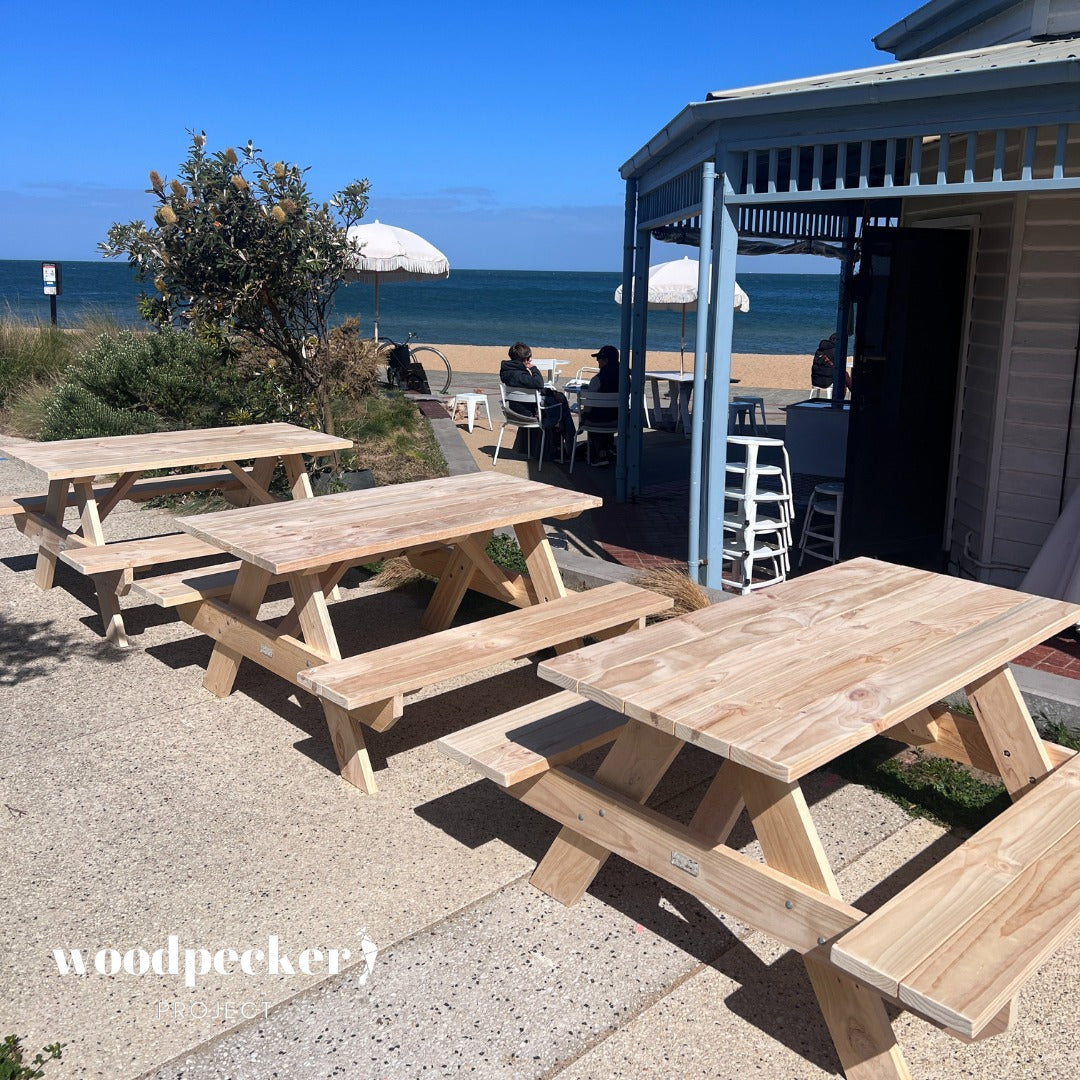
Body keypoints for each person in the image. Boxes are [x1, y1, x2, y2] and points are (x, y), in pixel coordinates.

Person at [499, 342, 576, 460]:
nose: (531, 360)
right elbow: (538, 384)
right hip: (527, 412)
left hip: (514, 409)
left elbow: (528, 389)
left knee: (558, 399)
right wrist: (534, 368)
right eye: (529, 358)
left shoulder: (506, 371)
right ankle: (570, 443)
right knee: (561, 407)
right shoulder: (519, 374)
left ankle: (564, 443)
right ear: (524, 359)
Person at [583, 344, 620, 465]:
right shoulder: (624, 378)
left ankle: (598, 454)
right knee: (605, 413)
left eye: (599, 359)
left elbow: (588, 406)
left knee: (593, 414)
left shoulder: (597, 380)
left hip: (597, 421)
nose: (597, 362)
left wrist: (584, 414)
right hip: (617, 418)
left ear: (605, 361)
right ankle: (607, 448)